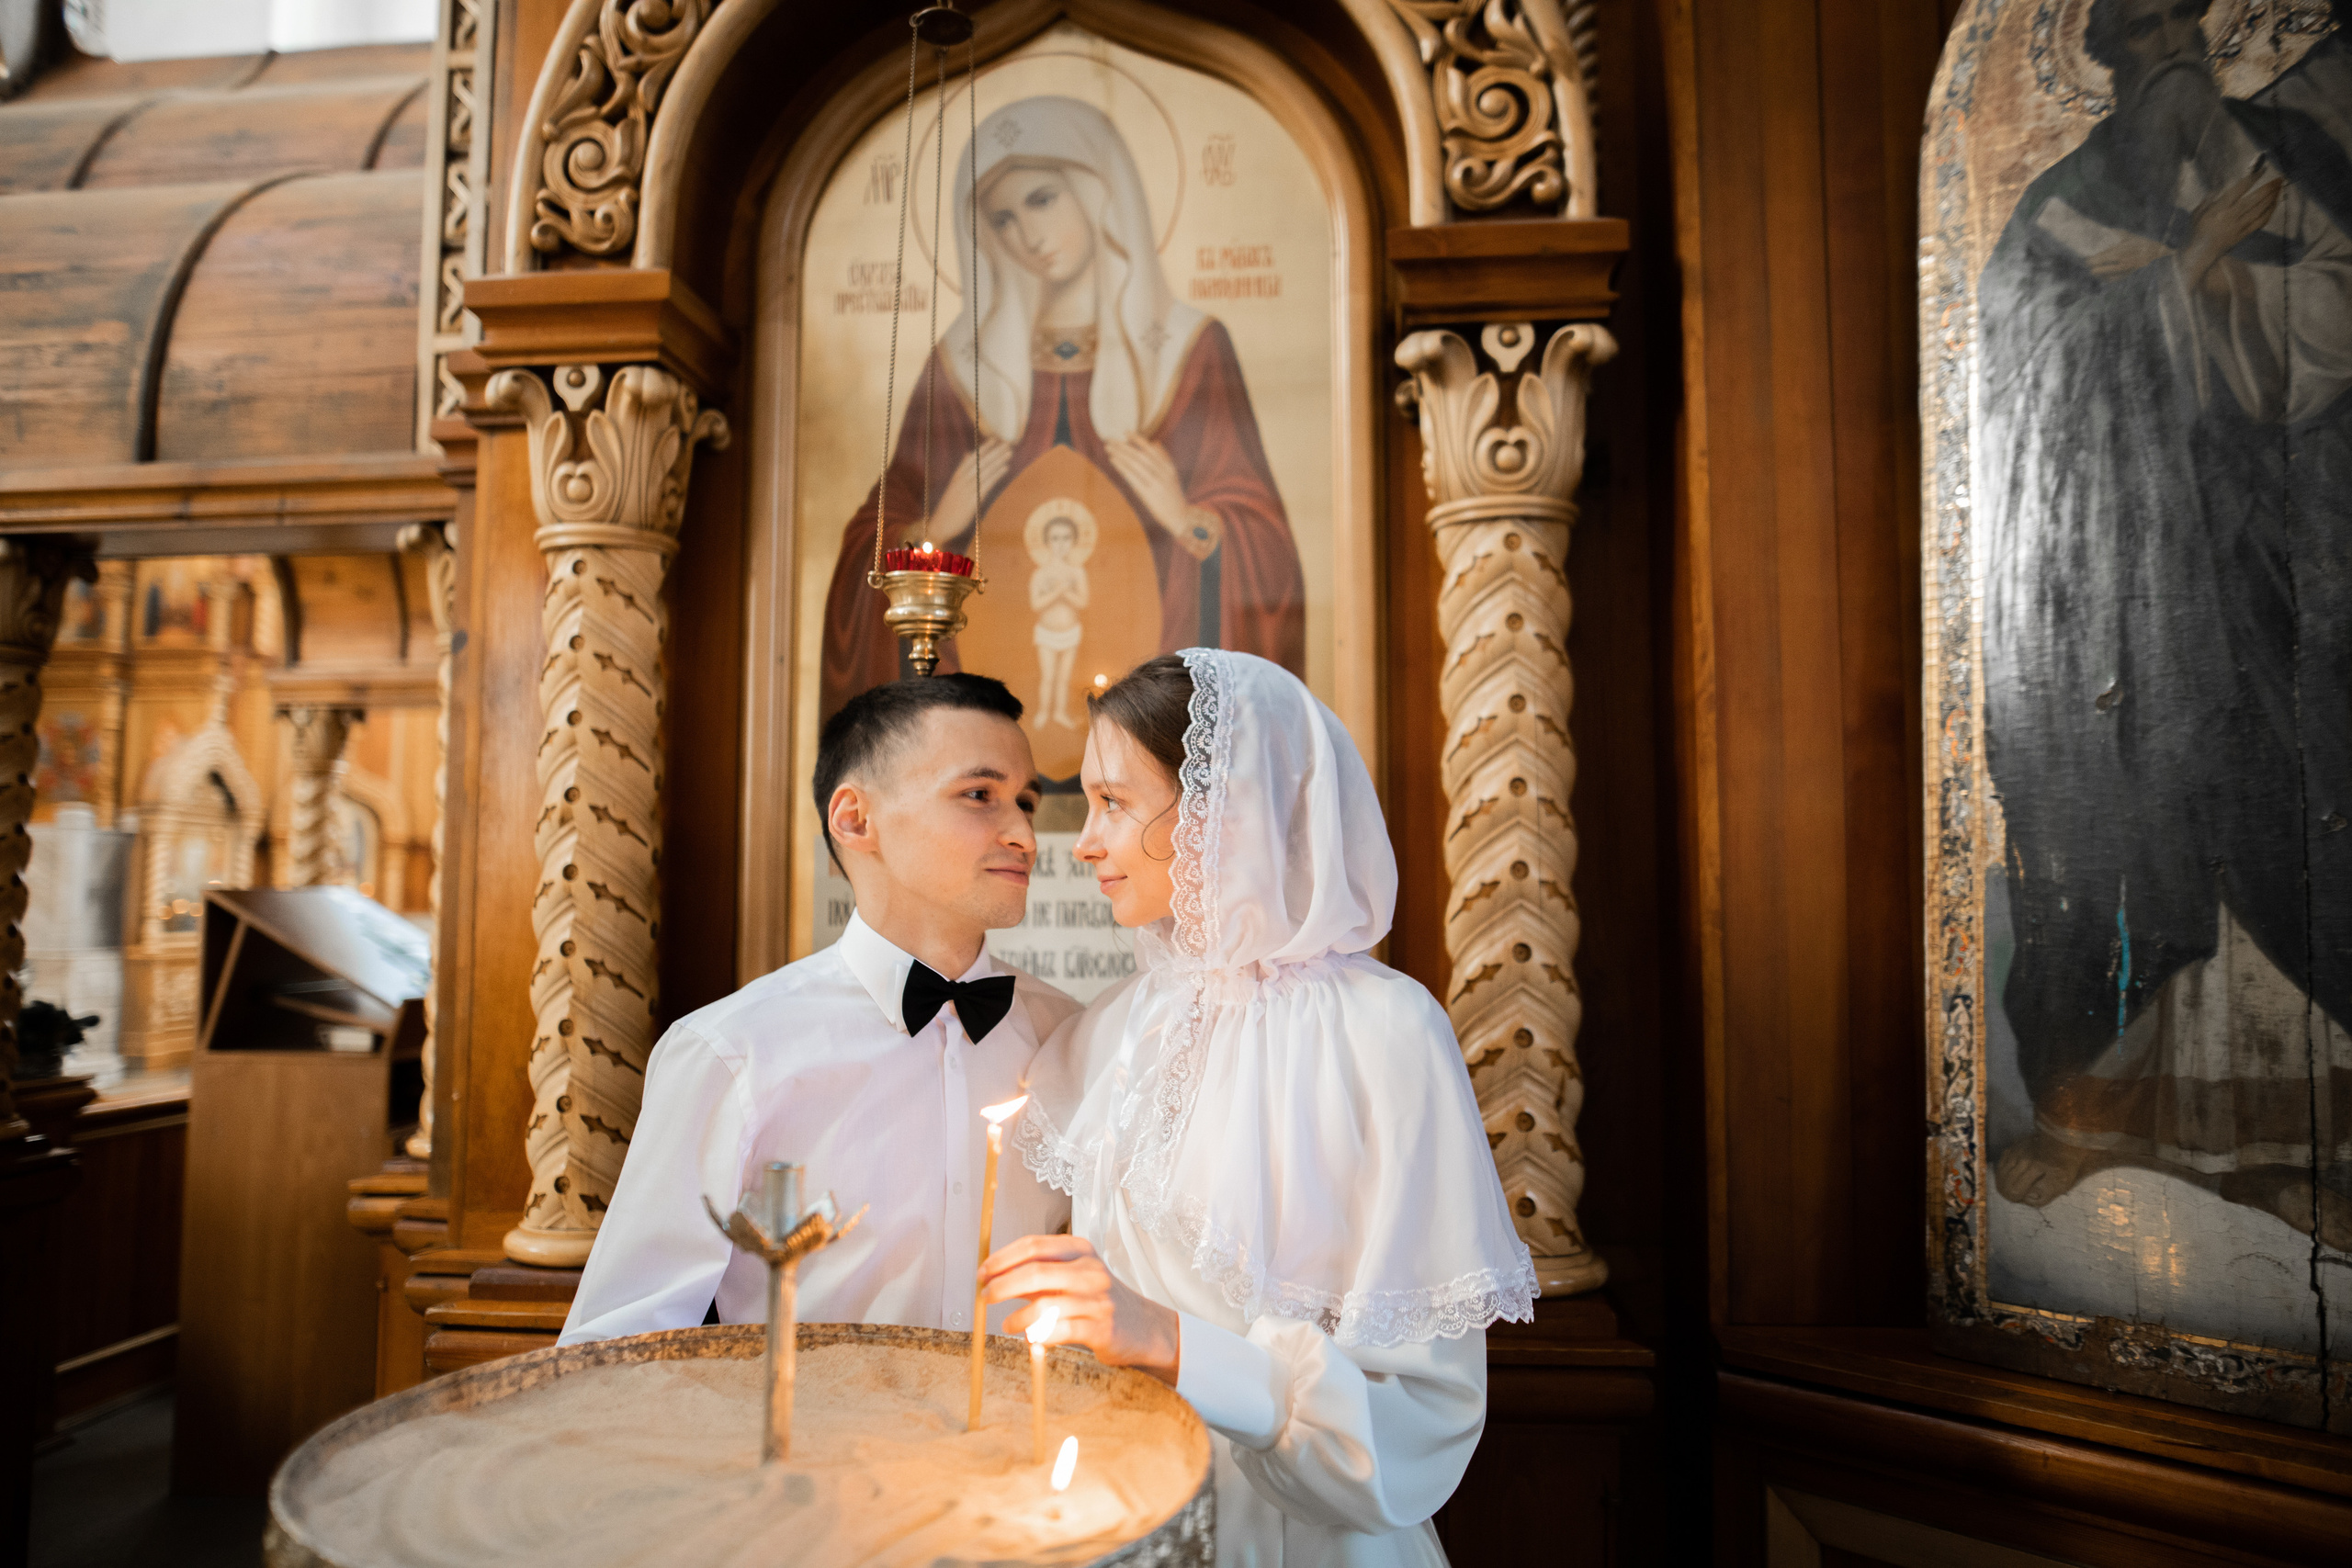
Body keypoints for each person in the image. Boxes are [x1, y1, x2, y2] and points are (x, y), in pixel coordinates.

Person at [983, 649, 1534, 1566]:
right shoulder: (1106, 1035)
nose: (1081, 842)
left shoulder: (1386, 1033)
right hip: (1108, 1522)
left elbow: (1425, 1421)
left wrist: (1174, 1344)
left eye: (1115, 803)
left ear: (1218, 808)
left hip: (1304, 1540)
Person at [1979, 0, 2352, 1247]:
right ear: (2102, 57)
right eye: (2141, 40)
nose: (2167, 62)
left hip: (2261, 558)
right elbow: (2019, 388)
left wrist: (2223, 276)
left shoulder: (2270, 159)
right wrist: (2188, 262)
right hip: (2113, 591)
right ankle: (2099, 1114)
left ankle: (2298, 1138)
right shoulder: (2062, 206)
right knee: (2133, 822)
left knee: (2284, 802)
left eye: (2180, 32)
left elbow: (2327, 320)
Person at [560, 674, 1081, 1344]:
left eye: (1027, 802)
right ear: (855, 818)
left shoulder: (1069, 1037)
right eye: (980, 795)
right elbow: (623, 1340)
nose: (1025, 836)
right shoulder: (731, 1052)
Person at [820, 96, 1306, 722]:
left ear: (1098, 192)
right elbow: (868, 544)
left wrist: (1189, 519)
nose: (1028, 236)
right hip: (978, 714)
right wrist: (932, 531)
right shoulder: (961, 368)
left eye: (1042, 200)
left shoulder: (1189, 350)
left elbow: (1270, 558)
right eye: (1001, 219)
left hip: (1155, 726)